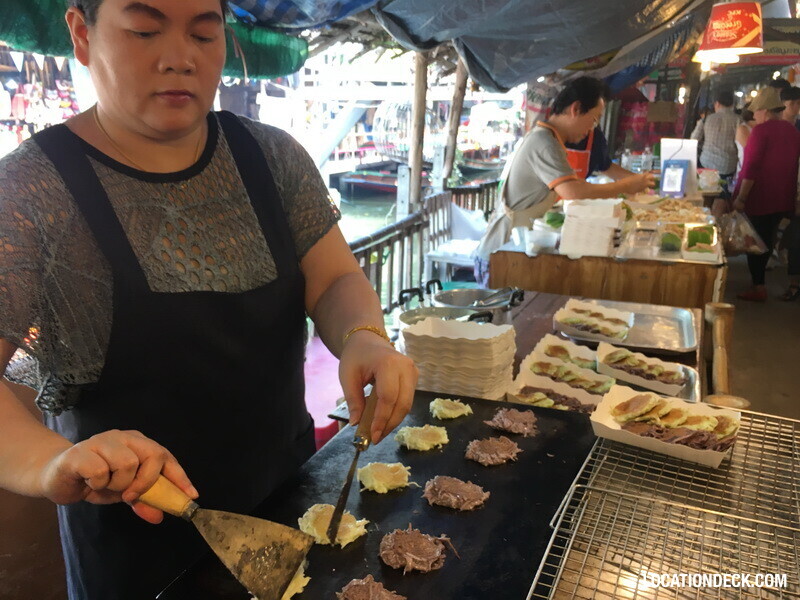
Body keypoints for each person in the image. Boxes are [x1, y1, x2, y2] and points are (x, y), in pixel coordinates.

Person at [0, 1, 417, 599]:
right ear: (82, 34)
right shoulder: (28, 191)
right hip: (136, 542)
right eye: (145, 31)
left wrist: (365, 337)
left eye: (203, 34)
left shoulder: (273, 156)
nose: (180, 58)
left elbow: (333, 280)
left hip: (292, 501)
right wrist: (50, 463)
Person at [473, 77, 654, 286]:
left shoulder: (551, 140)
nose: (592, 129)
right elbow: (573, 191)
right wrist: (625, 186)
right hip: (500, 254)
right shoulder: (544, 142)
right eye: (594, 119)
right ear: (575, 109)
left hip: (515, 250)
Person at [732, 87, 800, 301]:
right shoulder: (793, 131)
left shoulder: (761, 131)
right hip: (782, 197)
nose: (754, 115)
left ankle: (758, 286)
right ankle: (759, 283)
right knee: (768, 239)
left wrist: (741, 197)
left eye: (757, 111)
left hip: (760, 197)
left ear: (766, 110)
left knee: (754, 242)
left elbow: (751, 167)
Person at [691, 89, 739, 189]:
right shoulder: (738, 120)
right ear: (732, 104)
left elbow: (693, 139)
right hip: (729, 166)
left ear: (717, 104)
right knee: (724, 192)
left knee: (706, 191)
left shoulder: (706, 119)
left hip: (707, 164)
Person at [564, 125, 635, 181]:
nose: (594, 124)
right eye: (593, 118)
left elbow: (605, 166)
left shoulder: (595, 137)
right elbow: (568, 188)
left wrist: (637, 180)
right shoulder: (557, 137)